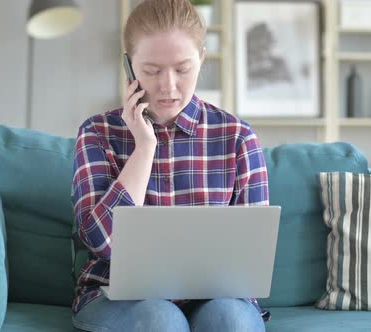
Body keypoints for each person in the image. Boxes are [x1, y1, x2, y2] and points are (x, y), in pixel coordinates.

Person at [71, 0, 269, 331]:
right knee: (161, 319)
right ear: (129, 67)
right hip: (119, 296)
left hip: (217, 298)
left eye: (182, 68)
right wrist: (145, 147)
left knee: (231, 319)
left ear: (202, 58)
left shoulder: (237, 137)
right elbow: (101, 242)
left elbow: (250, 261)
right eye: (151, 70)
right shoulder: (98, 133)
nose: (169, 86)